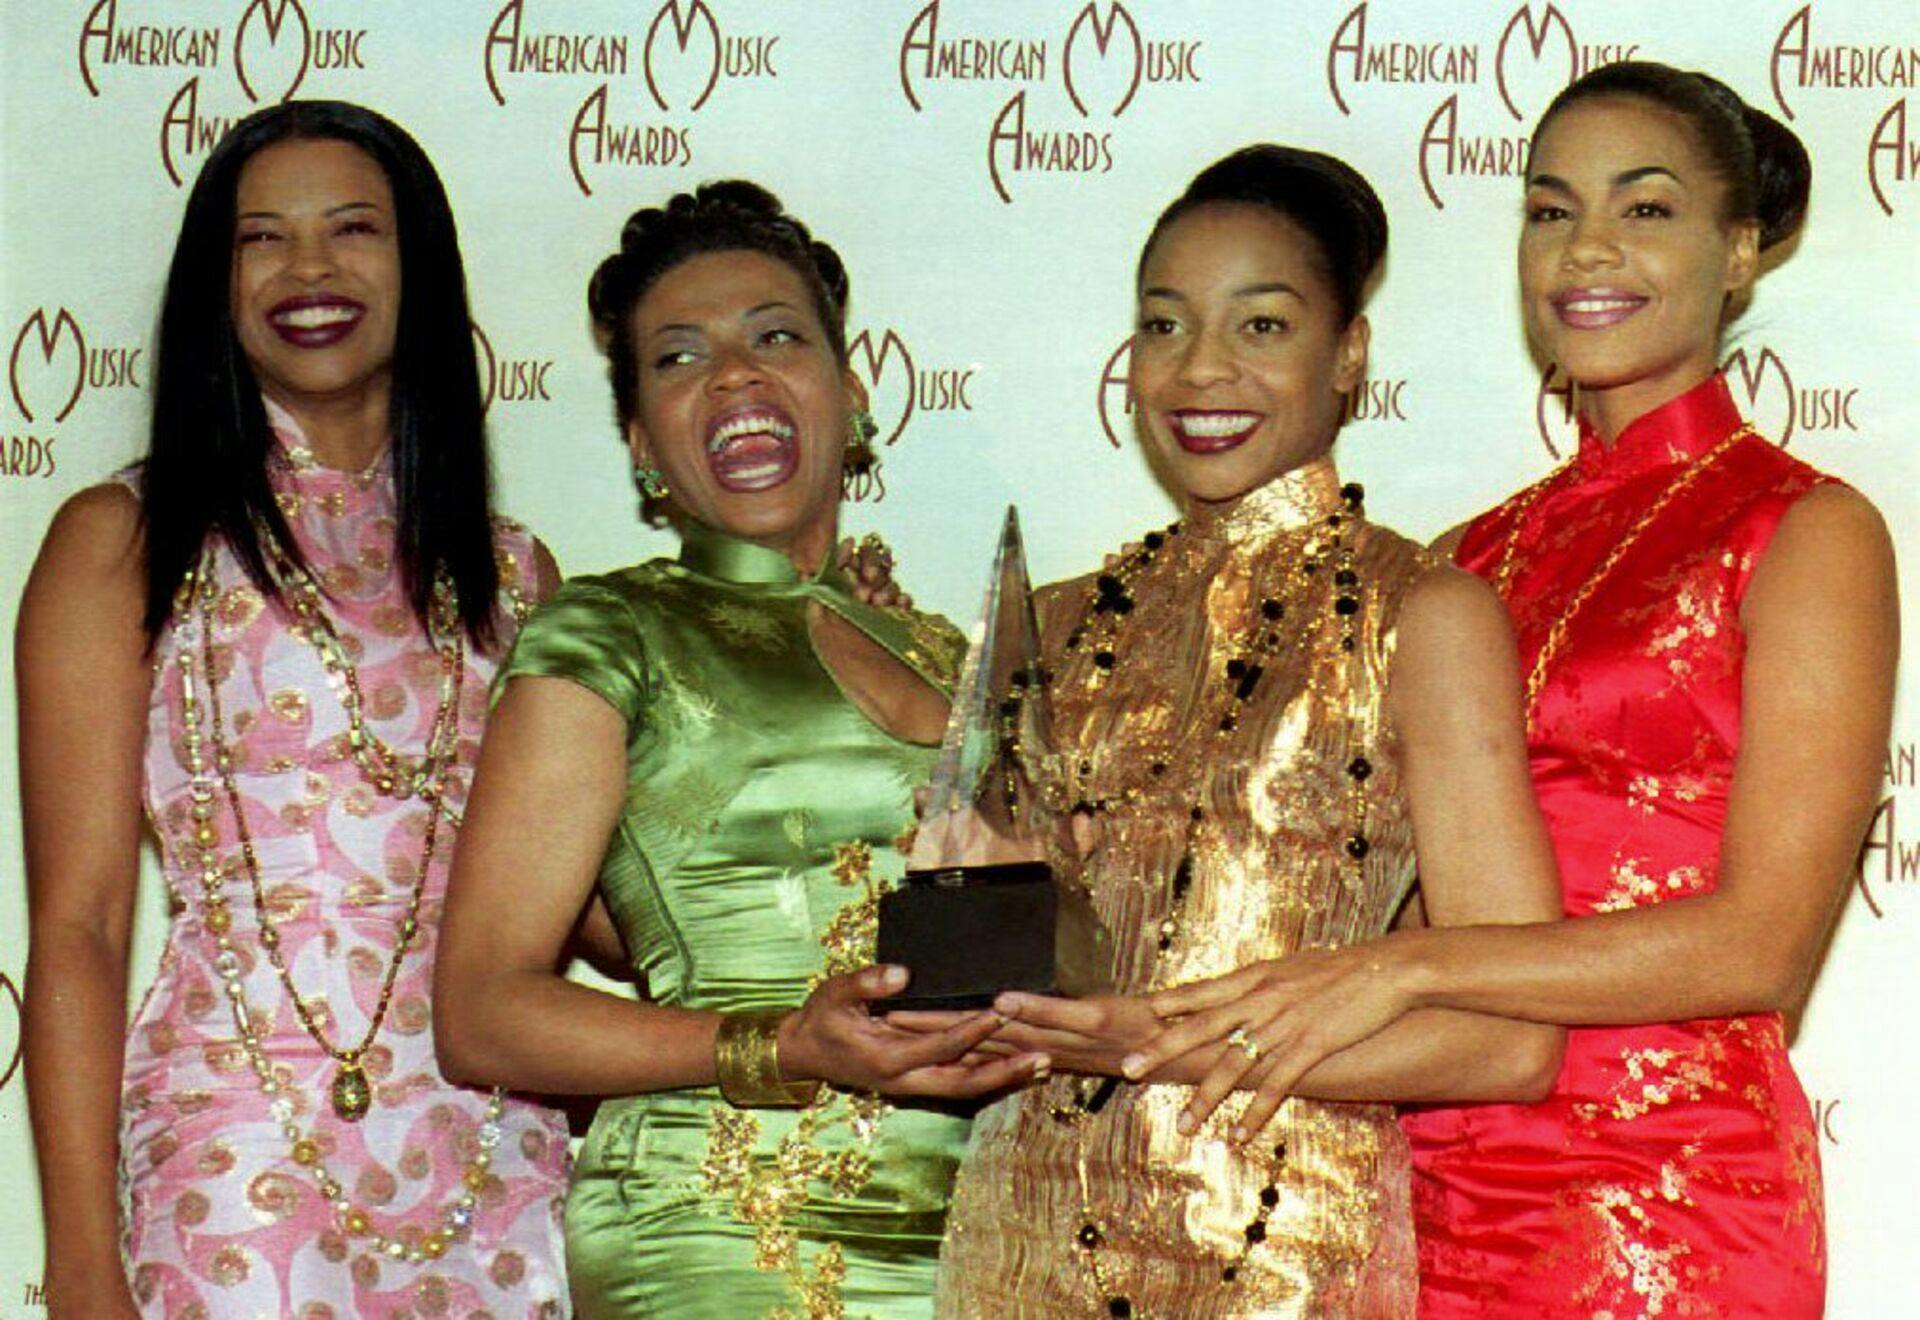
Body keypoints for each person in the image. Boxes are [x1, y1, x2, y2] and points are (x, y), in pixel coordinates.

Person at [1126, 65, 1896, 1317]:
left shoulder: (1804, 527)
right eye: (1550, 210)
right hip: (1416, 1167)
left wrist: (1409, 971)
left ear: (1742, 248)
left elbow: (1764, 943)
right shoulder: (1465, 558)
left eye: (1644, 210)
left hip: (1665, 1181)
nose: (1587, 248)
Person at [925, 145, 1566, 1317]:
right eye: (1164, 327)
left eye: (1261, 326)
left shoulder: (1423, 611)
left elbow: (1510, 1045)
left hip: (1281, 1255)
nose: (1201, 369)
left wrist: (1154, 1041)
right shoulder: (1048, 622)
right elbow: (979, 980)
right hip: (1015, 1244)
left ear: (1349, 357)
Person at [430, 180, 1043, 1319]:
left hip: (978, 1239)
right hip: (720, 1233)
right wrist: (782, 1048)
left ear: (854, 396)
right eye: (678, 357)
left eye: (775, 337)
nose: (734, 376)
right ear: (639, 443)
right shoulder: (610, 633)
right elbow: (481, 1012)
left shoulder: (958, 654)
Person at [18, 102, 574, 1317]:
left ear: (418, 267)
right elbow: (83, 924)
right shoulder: (119, 542)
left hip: (496, 1151)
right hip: (237, 1156)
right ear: (212, 286)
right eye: (262, 237)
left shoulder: (519, 576)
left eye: (354, 229)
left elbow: (588, 910)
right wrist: (77, 1268)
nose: (310, 270)